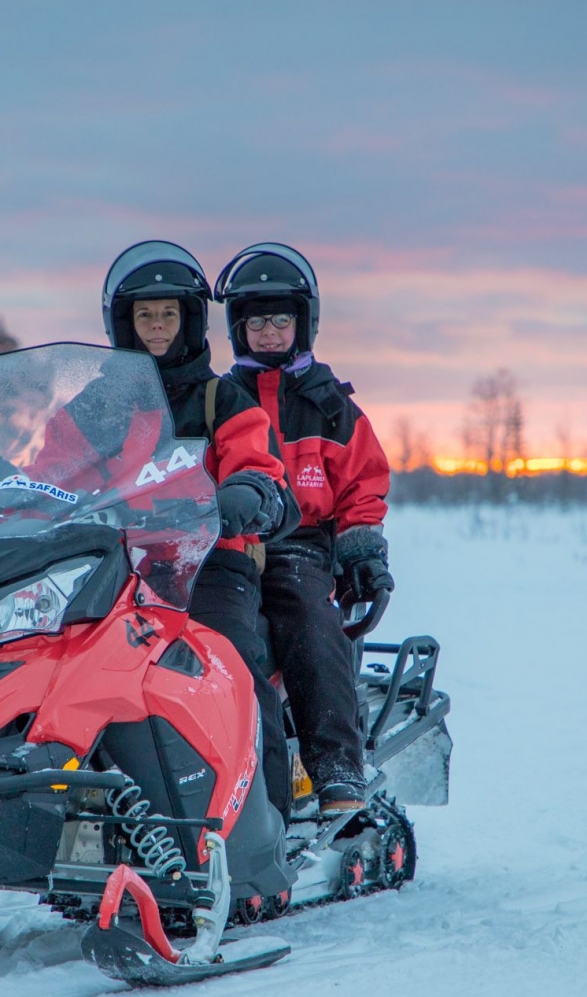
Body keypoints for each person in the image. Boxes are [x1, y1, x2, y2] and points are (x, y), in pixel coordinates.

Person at [100, 241, 301, 821]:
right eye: (145, 315)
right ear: (125, 323)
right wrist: (8, 486)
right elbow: (54, 465)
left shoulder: (221, 397)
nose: (157, 327)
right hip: (117, 566)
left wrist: (246, 492)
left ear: (189, 319)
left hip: (210, 561)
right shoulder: (101, 405)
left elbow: (257, 460)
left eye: (168, 314)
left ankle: (267, 816)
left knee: (228, 663)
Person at [216, 243, 393, 817]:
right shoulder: (220, 397)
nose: (269, 332)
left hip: (299, 544)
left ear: (302, 324)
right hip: (227, 542)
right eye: (257, 321)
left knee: (311, 620)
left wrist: (362, 549)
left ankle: (337, 766)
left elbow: (363, 485)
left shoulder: (330, 407)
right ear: (239, 328)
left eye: (281, 320)